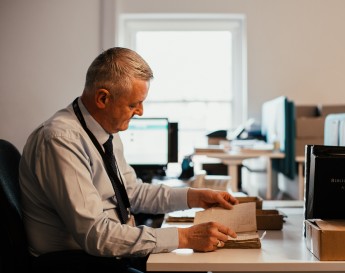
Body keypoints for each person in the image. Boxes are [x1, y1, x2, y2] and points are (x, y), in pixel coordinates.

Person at [19, 47, 238, 273]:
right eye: (133, 104)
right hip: (73, 263)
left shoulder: (106, 131)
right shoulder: (60, 140)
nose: (140, 112)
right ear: (103, 98)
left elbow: (132, 193)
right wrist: (184, 237)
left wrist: (194, 197)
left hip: (107, 254)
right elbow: (96, 235)